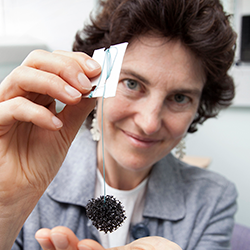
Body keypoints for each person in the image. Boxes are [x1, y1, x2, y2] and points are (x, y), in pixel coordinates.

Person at [0, 0, 238, 249]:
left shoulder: (214, 199)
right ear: (96, 83)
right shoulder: (26, 176)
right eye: (132, 84)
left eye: (179, 98)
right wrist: (4, 211)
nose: (149, 123)